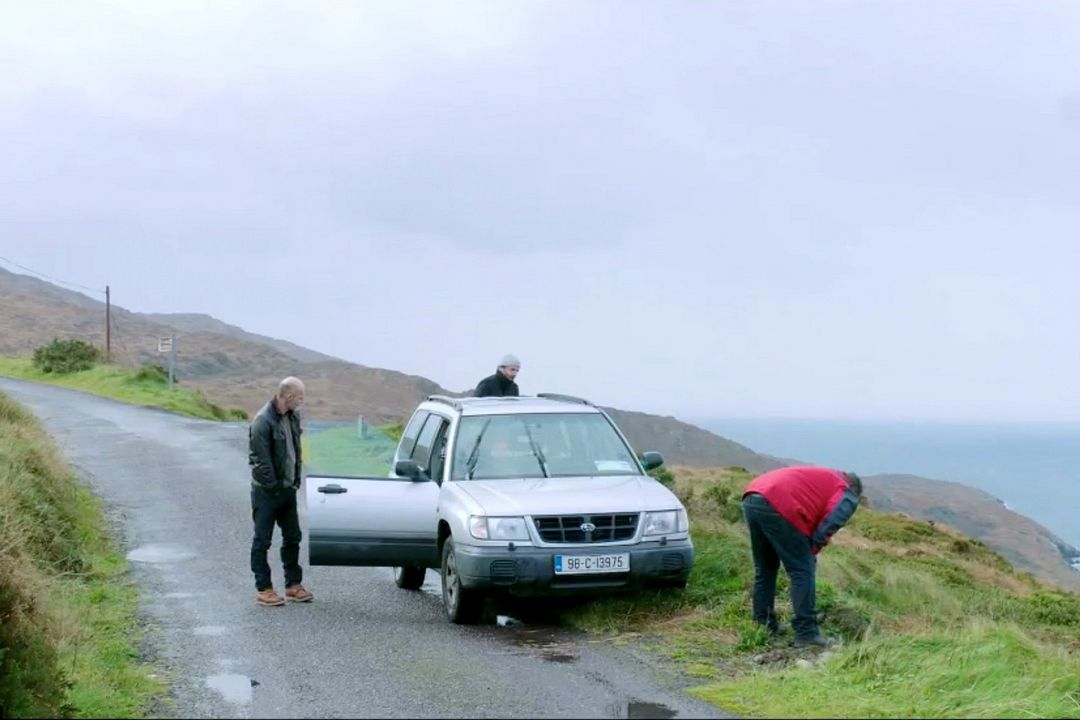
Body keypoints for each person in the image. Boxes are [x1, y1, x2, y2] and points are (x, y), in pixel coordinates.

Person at [741, 465, 862, 647]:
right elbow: (832, 522)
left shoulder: (826, 478)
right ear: (855, 489)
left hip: (753, 496)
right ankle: (806, 633)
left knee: (765, 569)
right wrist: (812, 550)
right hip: (779, 502)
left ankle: (764, 625)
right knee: (802, 570)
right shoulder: (847, 492)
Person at [249, 376, 314, 606]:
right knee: (262, 540)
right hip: (267, 493)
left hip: (287, 490)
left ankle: (293, 585)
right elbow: (261, 461)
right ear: (288, 396)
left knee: (293, 537)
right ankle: (264, 589)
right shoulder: (262, 421)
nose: (302, 401)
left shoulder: (293, 417)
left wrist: (294, 481)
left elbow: (294, 451)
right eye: (300, 397)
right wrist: (274, 487)